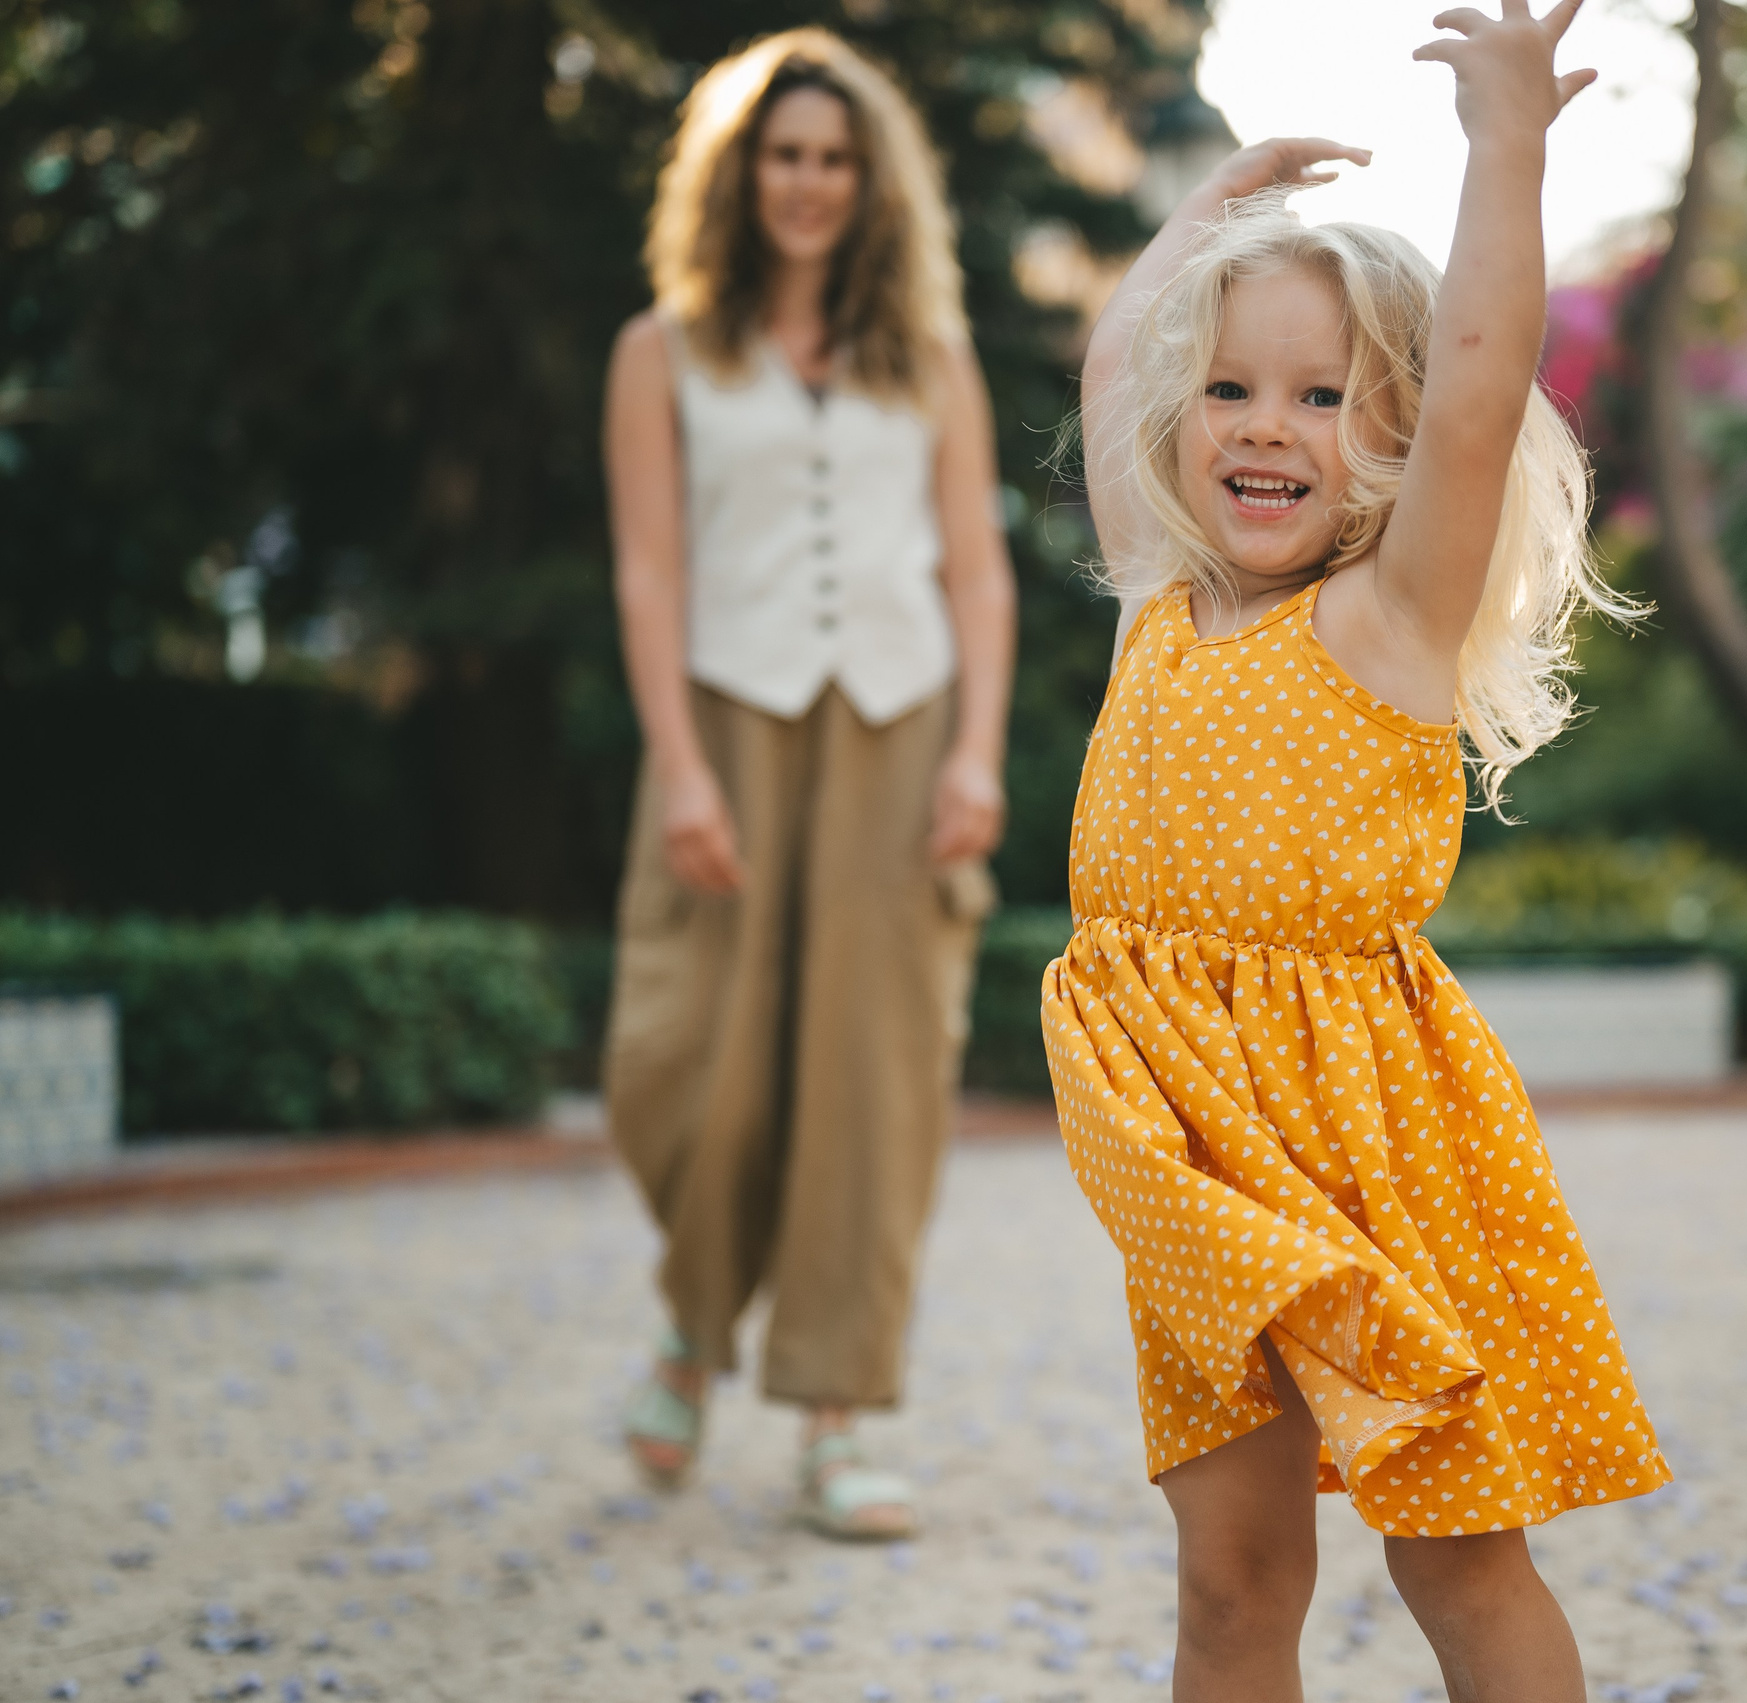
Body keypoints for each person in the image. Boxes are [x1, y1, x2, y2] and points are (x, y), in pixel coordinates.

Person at [1043, 2, 1667, 1693]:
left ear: (1388, 446)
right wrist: (1202, 233)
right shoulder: (1156, 612)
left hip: (1373, 1138)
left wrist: (1512, 145)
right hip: (1195, 1158)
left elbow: (1479, 380)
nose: (1265, 425)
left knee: (1458, 1556)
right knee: (1230, 1579)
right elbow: (1116, 369)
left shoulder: (1391, 620)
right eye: (1232, 387)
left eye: (1324, 396)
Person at [600, 26, 1015, 1542]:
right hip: (725, 720)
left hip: (898, 729)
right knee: (694, 1059)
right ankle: (691, 1333)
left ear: (872, 181)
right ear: (740, 171)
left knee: (873, 1071)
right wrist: (681, 767)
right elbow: (651, 574)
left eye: (837, 157)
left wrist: (976, 752)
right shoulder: (663, 352)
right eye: (784, 154)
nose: (810, 182)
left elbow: (977, 573)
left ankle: (841, 1411)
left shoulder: (937, 362)